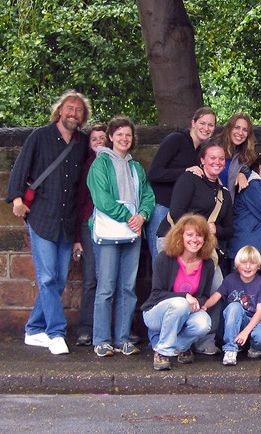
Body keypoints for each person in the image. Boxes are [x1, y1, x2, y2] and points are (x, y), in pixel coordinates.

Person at [7, 90, 90, 355]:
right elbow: (21, 167)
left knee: (58, 279)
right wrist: (17, 198)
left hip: (67, 222)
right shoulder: (40, 136)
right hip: (42, 216)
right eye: (69, 108)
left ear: (82, 116)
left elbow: (81, 189)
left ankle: (33, 329)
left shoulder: (82, 143)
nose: (73, 113)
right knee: (46, 277)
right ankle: (56, 333)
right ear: (60, 110)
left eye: (78, 110)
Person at [155, 139, 234, 355]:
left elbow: (230, 229)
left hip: (203, 249)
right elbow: (177, 212)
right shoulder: (189, 179)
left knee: (217, 288)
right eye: (212, 158)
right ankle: (164, 339)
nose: (217, 162)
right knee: (173, 291)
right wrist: (199, 229)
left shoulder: (224, 194)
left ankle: (204, 339)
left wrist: (215, 229)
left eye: (221, 159)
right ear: (202, 161)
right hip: (174, 241)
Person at [88, 116, 155, 357]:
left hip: (133, 232)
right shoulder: (100, 164)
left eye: (128, 135)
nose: (124, 139)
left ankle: (123, 338)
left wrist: (143, 215)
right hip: (111, 230)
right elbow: (102, 199)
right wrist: (129, 217)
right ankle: (102, 339)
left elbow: (147, 194)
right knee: (106, 287)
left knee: (128, 287)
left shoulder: (136, 167)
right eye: (119, 134)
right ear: (111, 137)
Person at [140, 214, 214, 371]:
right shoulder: (165, 258)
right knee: (180, 303)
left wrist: (197, 303)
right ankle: (162, 353)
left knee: (204, 323)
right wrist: (185, 297)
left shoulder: (207, 264)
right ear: (180, 235)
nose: (195, 239)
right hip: (156, 313)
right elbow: (157, 294)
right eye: (190, 234)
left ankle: (179, 346)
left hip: (186, 313)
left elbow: (204, 296)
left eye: (199, 235)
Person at [146, 107, 216, 261]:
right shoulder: (176, 140)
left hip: (181, 213)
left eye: (211, 125)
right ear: (193, 122)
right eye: (202, 123)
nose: (206, 128)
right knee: (160, 260)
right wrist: (184, 171)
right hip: (162, 209)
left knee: (176, 264)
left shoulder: (201, 152)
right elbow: (154, 173)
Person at [201, 246, 261, 366]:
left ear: (259, 266)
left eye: (252, 263)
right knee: (234, 306)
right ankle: (230, 349)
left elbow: (260, 312)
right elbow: (216, 296)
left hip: (258, 319)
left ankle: (254, 347)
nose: (248, 266)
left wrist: (245, 332)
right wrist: (204, 306)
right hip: (240, 320)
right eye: (244, 262)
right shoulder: (230, 279)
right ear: (237, 264)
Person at [73, 123, 107, 346]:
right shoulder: (86, 165)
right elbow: (79, 202)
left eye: (102, 139)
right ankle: (86, 327)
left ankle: (110, 328)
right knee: (91, 278)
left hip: (114, 227)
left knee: (112, 280)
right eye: (94, 139)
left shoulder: (119, 164)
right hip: (89, 226)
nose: (98, 143)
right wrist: (77, 238)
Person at [217, 113, 257, 202]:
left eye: (245, 130)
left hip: (227, 206)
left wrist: (242, 173)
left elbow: (246, 170)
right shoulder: (214, 147)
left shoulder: (243, 154)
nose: (240, 133)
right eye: (237, 127)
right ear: (229, 128)